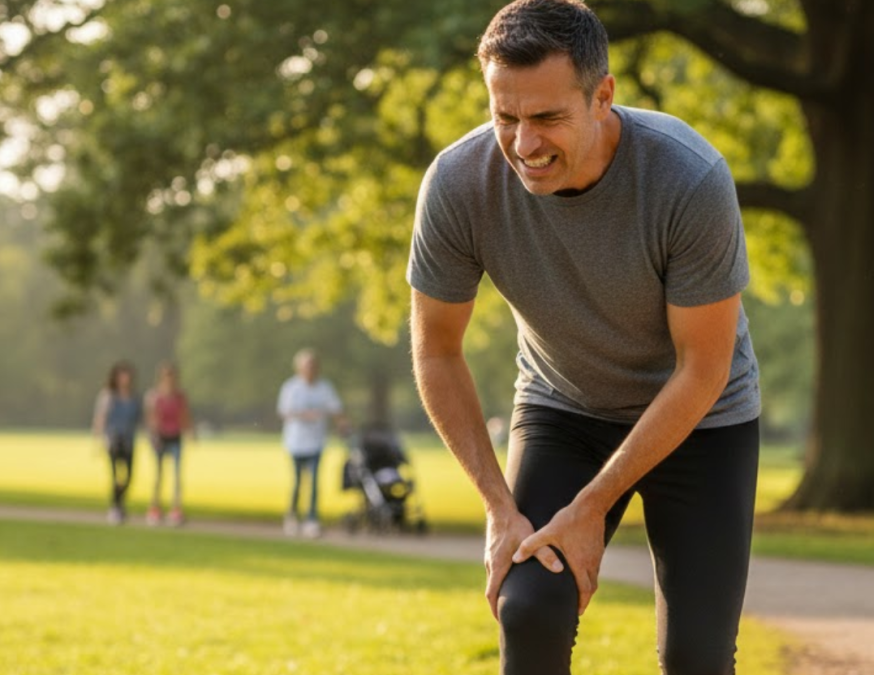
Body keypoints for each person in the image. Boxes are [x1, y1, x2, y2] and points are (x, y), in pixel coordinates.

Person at [408, 1, 760, 673]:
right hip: (562, 408)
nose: (523, 144)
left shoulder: (688, 179)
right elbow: (436, 348)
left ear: (603, 96)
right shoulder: (459, 185)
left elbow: (703, 366)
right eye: (504, 116)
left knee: (697, 655)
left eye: (546, 118)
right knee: (530, 603)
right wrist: (498, 506)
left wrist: (592, 505)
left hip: (701, 420)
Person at [277, 348, 346, 538]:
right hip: (295, 442)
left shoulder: (325, 387)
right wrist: (305, 415)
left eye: (313, 366)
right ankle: (292, 515)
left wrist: (342, 424)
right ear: (299, 368)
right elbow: (284, 412)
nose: (310, 369)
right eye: (307, 366)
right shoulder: (291, 388)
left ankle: (311, 519)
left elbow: (336, 409)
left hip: (316, 442)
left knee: (315, 482)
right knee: (298, 482)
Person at [91, 361, 142, 525]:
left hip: (129, 440)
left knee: (128, 477)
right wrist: (98, 439)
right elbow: (101, 417)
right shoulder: (109, 396)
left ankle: (119, 504)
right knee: (115, 476)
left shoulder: (134, 397)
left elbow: (138, 420)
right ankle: (115, 507)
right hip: (113, 439)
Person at [143, 361, 194, 526]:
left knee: (177, 475)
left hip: (175, 437)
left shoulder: (180, 396)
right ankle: (154, 508)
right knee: (158, 475)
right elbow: (151, 419)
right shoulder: (155, 396)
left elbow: (184, 416)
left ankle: (176, 509)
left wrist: (190, 432)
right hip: (160, 437)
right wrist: (153, 436)